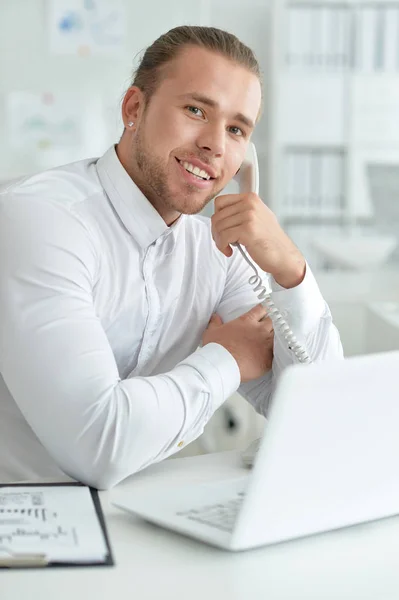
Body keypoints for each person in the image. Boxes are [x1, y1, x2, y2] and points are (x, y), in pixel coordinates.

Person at [0, 26, 343, 489]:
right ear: (134, 109)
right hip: (27, 526)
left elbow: (321, 414)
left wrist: (290, 271)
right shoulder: (42, 221)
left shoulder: (216, 251)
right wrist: (227, 358)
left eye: (237, 129)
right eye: (196, 110)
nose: (216, 145)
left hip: (143, 521)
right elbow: (99, 445)